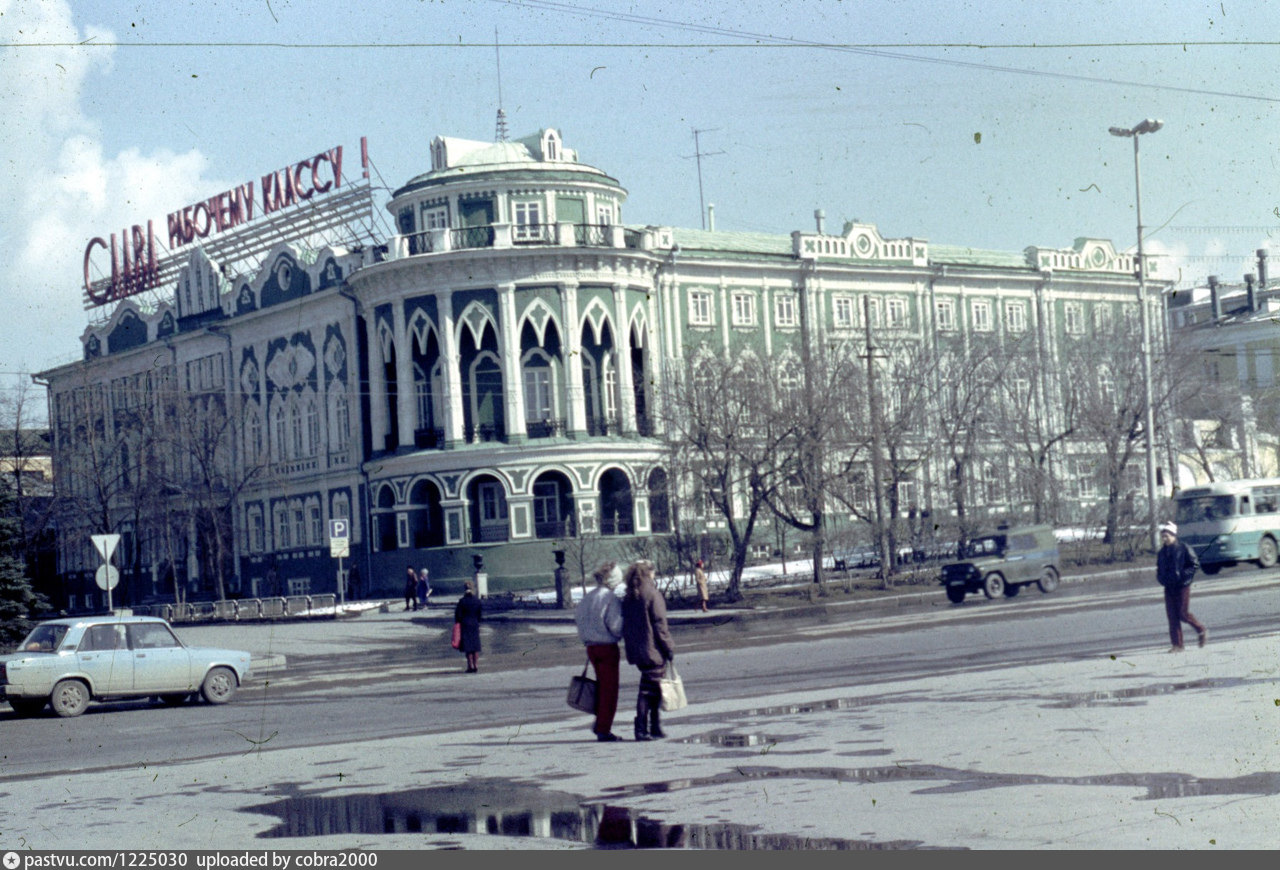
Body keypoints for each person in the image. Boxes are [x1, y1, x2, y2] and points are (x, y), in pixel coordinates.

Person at [621, 560, 675, 741]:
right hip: (653, 650)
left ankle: (653, 727)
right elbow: (660, 625)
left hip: (638, 650)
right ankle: (644, 729)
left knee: (653, 688)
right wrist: (669, 647)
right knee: (648, 690)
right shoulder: (652, 594)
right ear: (649, 573)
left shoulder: (630, 595)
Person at [575, 561, 625, 742]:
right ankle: (603, 728)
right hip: (607, 648)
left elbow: (579, 620)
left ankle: (600, 723)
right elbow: (616, 626)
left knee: (601, 688)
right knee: (609, 691)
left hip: (591, 647)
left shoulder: (588, 597)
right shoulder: (610, 598)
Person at [1156, 522, 1208, 652]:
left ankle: (1201, 630)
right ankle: (1177, 645)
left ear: (1173, 535)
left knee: (1183, 614)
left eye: (1167, 536)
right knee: (1172, 617)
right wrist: (1161, 579)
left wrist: (1184, 577)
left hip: (1182, 587)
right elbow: (1159, 569)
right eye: (1163, 536)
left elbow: (1194, 564)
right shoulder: (1162, 552)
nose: (1164, 539)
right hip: (1169, 587)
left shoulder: (1183, 548)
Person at [454, 580, 483, 673]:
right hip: (474, 624)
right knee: (475, 646)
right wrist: (477, 622)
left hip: (465, 624)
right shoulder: (477, 601)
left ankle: (470, 666)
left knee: (468, 647)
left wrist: (458, 623)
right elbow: (480, 615)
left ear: (464, 589)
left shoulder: (462, 601)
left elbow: (458, 615)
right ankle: (476, 665)